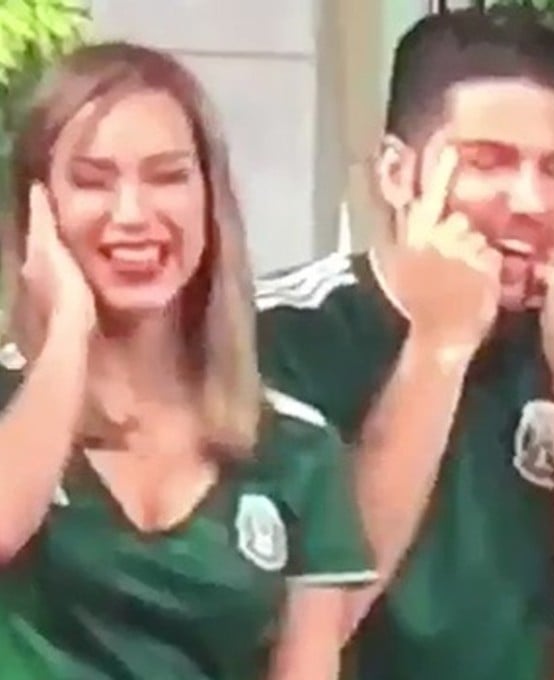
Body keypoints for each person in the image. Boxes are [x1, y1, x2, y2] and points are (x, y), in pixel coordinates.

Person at [255, 7, 554, 680]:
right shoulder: (282, 333)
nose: (529, 201)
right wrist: (439, 347)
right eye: (488, 162)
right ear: (397, 175)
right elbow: (316, 618)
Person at [0, 42, 374, 679]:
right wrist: (65, 329)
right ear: (38, 210)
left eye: (168, 176)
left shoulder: (297, 449)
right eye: (91, 181)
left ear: (210, 198)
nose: (133, 215)